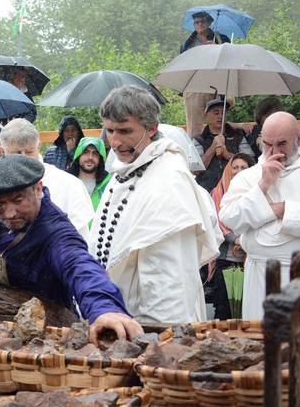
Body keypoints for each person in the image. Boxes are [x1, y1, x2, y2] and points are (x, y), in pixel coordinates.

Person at [0, 155, 142, 342]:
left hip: (46, 331)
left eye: (18, 200)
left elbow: (80, 266)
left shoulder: (56, 231)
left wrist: (104, 309)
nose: (10, 213)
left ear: (38, 189)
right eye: (1, 204)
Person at [90, 85, 222, 324]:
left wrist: (156, 338)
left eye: (125, 131)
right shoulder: (123, 171)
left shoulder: (169, 179)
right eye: (110, 131)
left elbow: (169, 279)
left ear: (152, 129)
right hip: (120, 316)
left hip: (156, 326)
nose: (116, 142)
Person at [220, 112, 300, 329]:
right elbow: (231, 218)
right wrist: (263, 185)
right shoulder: (249, 177)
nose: (274, 152)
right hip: (260, 278)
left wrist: (283, 209)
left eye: (282, 144)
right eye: (267, 144)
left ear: (299, 139)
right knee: (260, 350)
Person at [0, 119, 94, 247]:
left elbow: (80, 240)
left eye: (29, 152)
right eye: (16, 153)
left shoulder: (69, 185)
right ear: (3, 151)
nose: (24, 158)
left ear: (38, 146)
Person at [205, 152, 255, 319]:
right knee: (224, 311)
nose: (238, 171)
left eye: (243, 167)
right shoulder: (218, 192)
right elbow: (216, 223)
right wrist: (236, 239)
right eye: (235, 167)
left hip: (251, 260)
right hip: (226, 260)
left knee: (246, 311)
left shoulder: (258, 192)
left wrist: (247, 240)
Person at [180, 11, 230, 137]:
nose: (200, 24)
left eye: (203, 21)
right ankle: (197, 151)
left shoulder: (222, 39)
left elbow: (231, 60)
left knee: (217, 123)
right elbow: (183, 66)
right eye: (197, 22)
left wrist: (218, 48)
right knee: (194, 126)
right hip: (194, 87)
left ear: (210, 23)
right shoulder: (187, 44)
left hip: (217, 85)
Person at [193, 98, 254, 192]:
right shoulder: (199, 140)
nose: (220, 116)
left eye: (223, 113)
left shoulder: (238, 136)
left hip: (235, 189)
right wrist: (212, 148)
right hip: (206, 192)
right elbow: (195, 170)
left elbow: (250, 163)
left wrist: (227, 155)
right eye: (216, 113)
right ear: (206, 116)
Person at [67, 137, 111, 211]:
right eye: (85, 152)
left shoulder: (109, 183)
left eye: (95, 153)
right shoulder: (66, 181)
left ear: (100, 158)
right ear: (78, 155)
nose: (90, 157)